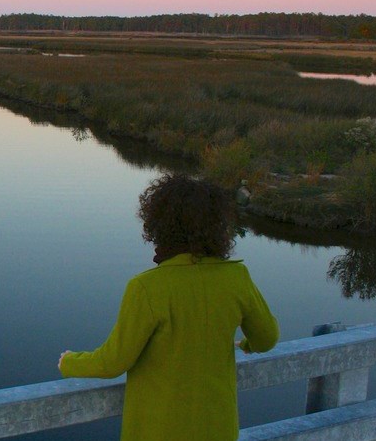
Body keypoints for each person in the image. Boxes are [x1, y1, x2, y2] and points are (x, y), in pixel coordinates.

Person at [58, 174, 278, 441]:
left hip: (158, 431)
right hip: (217, 429)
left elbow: (114, 361)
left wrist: (70, 363)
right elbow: (267, 338)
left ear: (159, 225)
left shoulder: (147, 288)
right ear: (217, 226)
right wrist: (246, 345)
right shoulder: (236, 277)